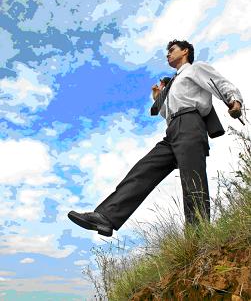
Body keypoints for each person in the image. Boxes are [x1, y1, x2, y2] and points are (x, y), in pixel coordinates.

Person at [68, 39, 243, 237]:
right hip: (173, 129)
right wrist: (159, 98)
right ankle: (106, 217)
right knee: (143, 170)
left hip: (191, 124)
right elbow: (169, 113)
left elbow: (219, 83)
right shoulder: (174, 81)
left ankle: (199, 236)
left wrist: (234, 101)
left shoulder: (195, 69)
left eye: (172, 50)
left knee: (192, 181)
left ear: (185, 51)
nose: (168, 54)